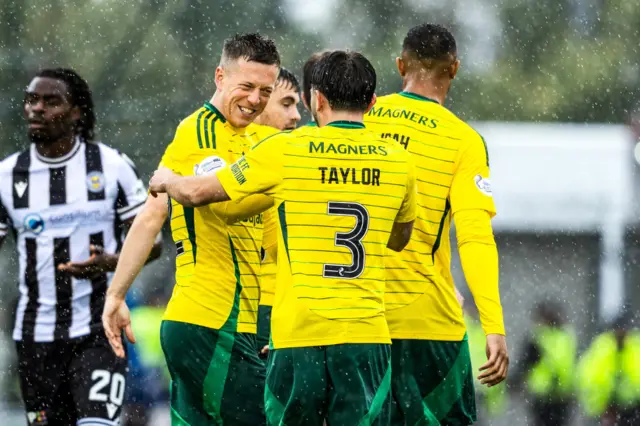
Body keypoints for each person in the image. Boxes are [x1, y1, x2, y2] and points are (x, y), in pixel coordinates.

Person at [149, 50, 418, 426]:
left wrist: (166, 179)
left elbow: (198, 194)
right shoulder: (399, 160)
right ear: (372, 102)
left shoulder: (284, 150)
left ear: (316, 99)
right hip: (364, 332)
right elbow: (400, 238)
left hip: (297, 334)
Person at [102, 33, 281, 425]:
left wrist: (115, 296)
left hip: (227, 324)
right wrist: (115, 295)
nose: (255, 99)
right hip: (211, 321)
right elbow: (203, 200)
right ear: (220, 77)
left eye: (266, 90)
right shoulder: (200, 133)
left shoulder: (255, 138)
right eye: (246, 86)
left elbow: (150, 216)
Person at [363, 23, 508, 425]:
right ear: (455, 69)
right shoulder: (463, 140)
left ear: (400, 65)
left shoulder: (362, 118)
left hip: (354, 318)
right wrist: (493, 325)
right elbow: (475, 237)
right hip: (425, 321)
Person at [0, 68, 160, 426]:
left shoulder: (111, 166)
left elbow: (154, 244)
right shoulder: (7, 176)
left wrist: (110, 262)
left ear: (76, 112)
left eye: (50, 101)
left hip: (97, 330)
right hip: (35, 338)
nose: (36, 109)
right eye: (32, 100)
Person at [252, 67, 302, 355]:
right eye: (286, 104)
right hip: (264, 309)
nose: (295, 115)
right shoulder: (270, 156)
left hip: (273, 308)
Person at [511, 301, 576, 426]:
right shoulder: (537, 337)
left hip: (562, 395)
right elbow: (525, 363)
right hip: (543, 395)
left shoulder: (566, 336)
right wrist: (516, 380)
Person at [576, 308, 640, 426]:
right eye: (620, 328)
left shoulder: (635, 346)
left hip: (633, 407)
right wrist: (600, 404)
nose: (622, 332)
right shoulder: (602, 346)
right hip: (609, 407)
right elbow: (589, 376)